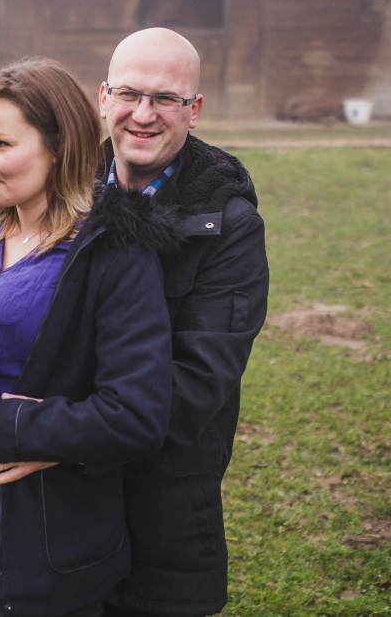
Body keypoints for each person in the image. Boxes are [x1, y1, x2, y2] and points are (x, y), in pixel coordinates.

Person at [0, 56, 182, 616]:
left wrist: (4, 428)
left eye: (0, 143)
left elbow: (135, 413)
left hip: (42, 530)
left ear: (58, 146)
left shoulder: (113, 251)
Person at [94, 30, 270, 616]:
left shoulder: (230, 224)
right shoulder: (57, 192)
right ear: (103, 98)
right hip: (57, 500)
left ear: (193, 111)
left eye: (165, 99)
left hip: (164, 499)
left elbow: (198, 383)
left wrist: (52, 433)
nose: (143, 115)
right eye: (129, 93)